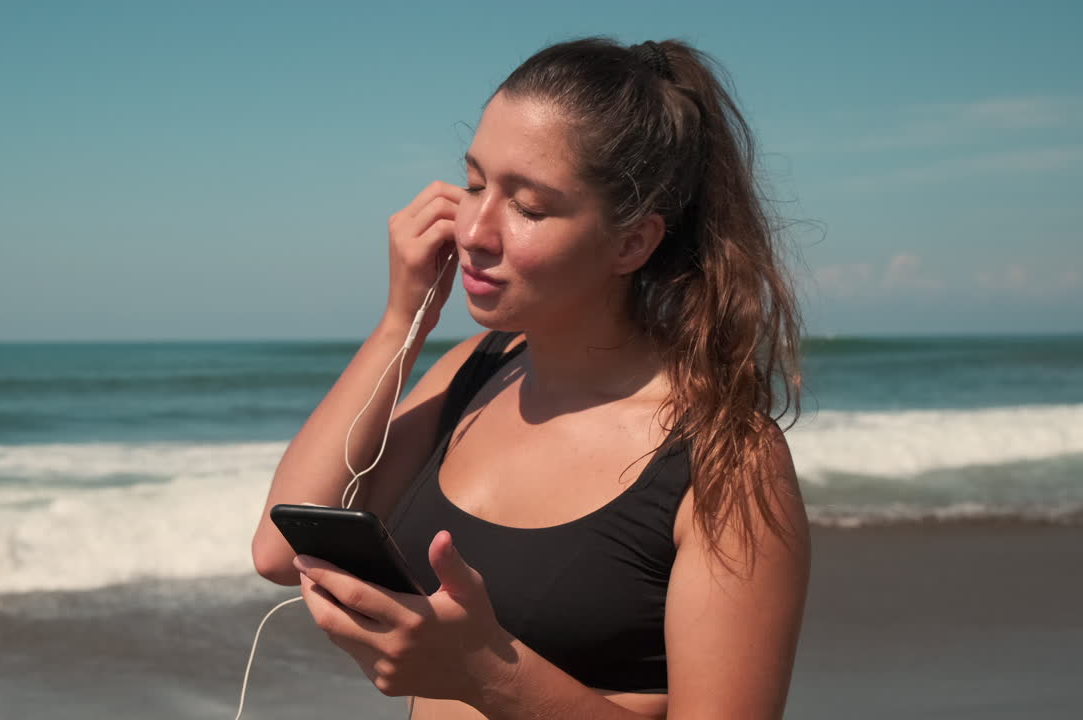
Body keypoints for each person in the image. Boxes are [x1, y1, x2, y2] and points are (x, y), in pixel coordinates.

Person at [252, 37, 809, 720]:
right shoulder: (477, 370)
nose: (475, 231)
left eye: (529, 207)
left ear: (632, 242)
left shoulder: (725, 458)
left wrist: (487, 673)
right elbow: (282, 549)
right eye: (476, 183)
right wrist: (402, 323)